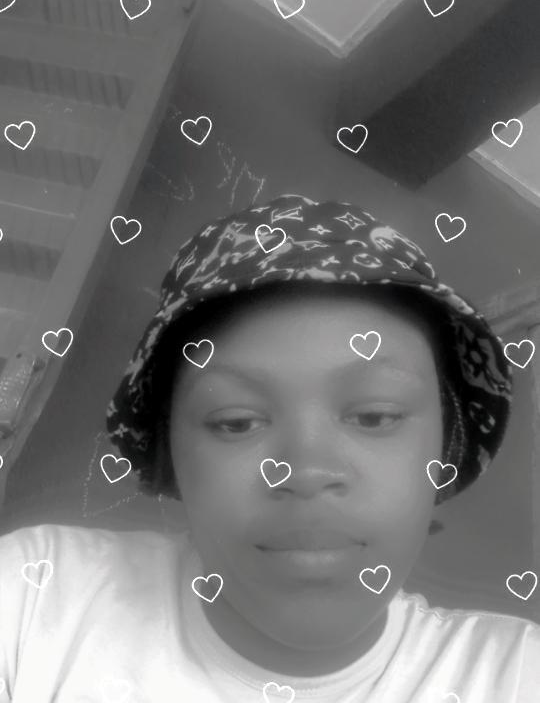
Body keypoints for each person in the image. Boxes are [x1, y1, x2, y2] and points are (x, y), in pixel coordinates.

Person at [0, 193, 538, 702]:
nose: (305, 471)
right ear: (170, 456)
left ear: (446, 450)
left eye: (375, 416)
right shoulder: (34, 598)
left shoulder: (516, 674)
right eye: (236, 422)